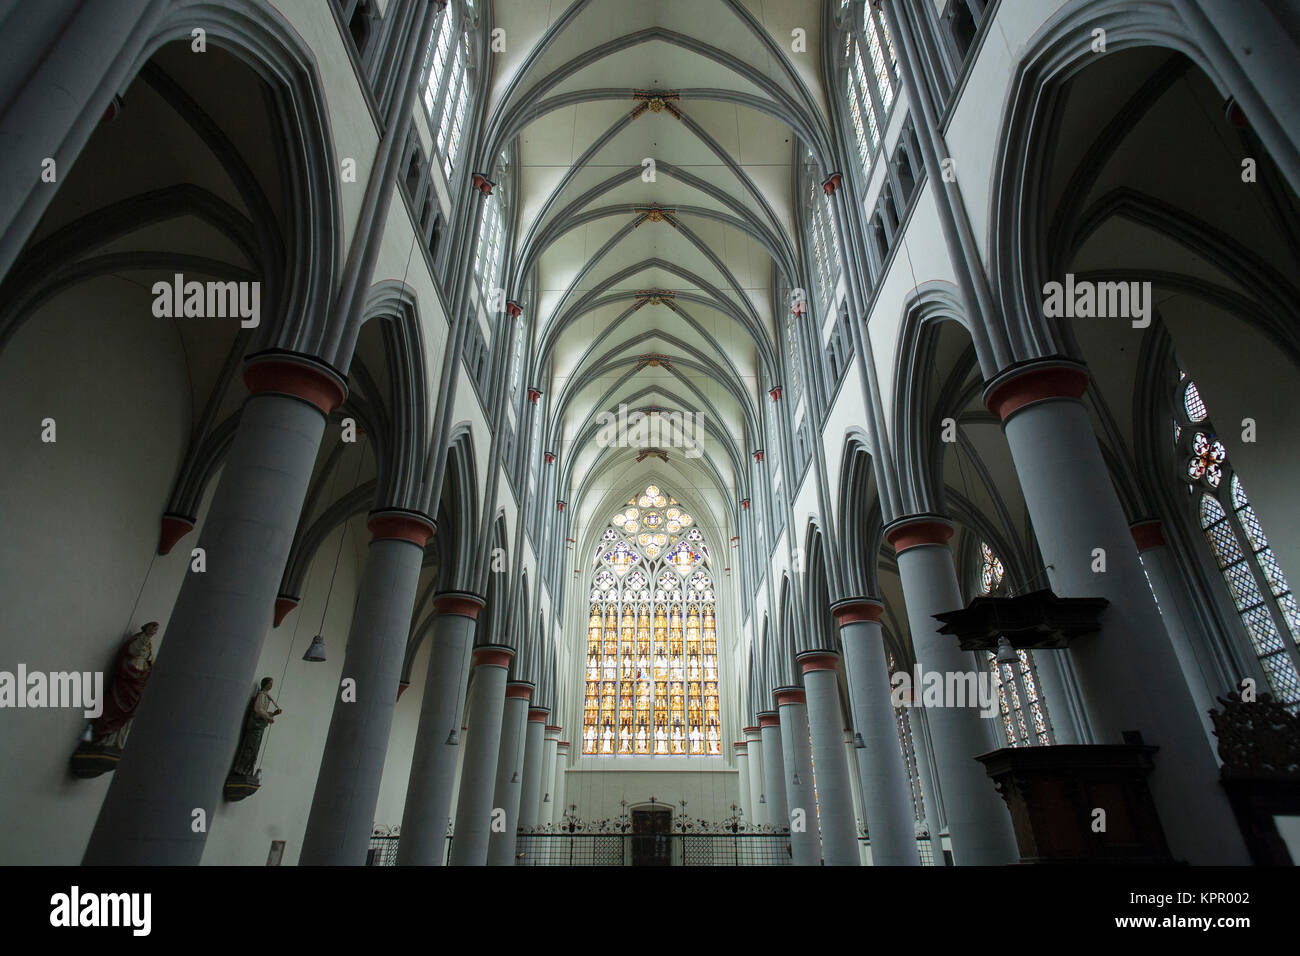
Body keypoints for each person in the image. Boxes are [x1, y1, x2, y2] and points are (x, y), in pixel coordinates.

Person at [90, 622, 158, 749]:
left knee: (126, 716)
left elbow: (149, 664)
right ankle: (100, 739)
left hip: (136, 685)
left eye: (155, 631)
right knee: (113, 709)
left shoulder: (148, 646)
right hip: (126, 684)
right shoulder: (139, 641)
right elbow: (133, 651)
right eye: (152, 629)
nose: (154, 632)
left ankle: (114, 742)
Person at [230, 677, 281, 777]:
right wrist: (268, 717)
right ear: (265, 684)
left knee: (254, 750)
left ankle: (247, 770)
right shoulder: (261, 695)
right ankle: (241, 770)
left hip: (260, 726)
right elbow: (258, 710)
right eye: (270, 683)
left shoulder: (266, 696)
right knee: (250, 747)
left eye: (272, 684)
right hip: (255, 726)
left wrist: (273, 714)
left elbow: (263, 712)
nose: (271, 685)